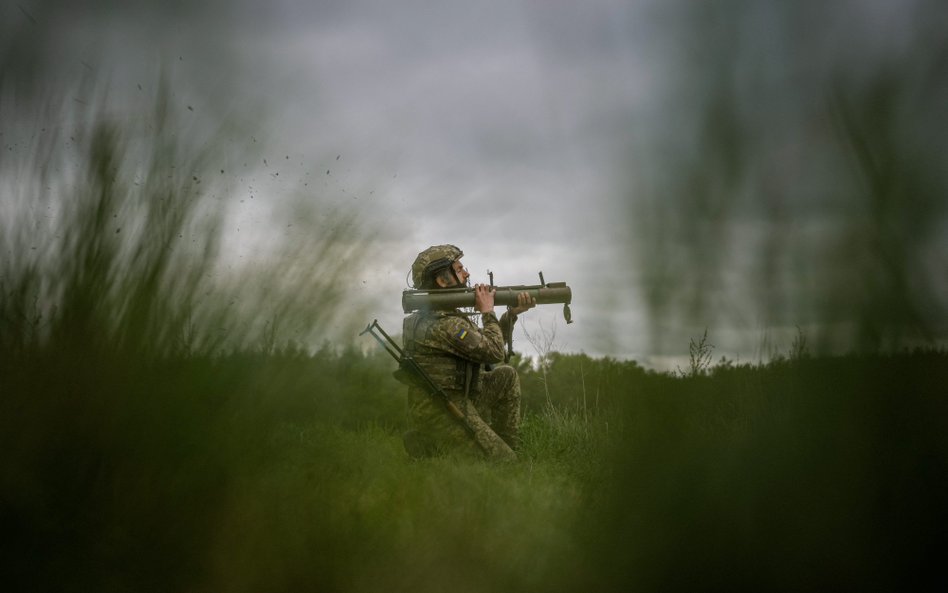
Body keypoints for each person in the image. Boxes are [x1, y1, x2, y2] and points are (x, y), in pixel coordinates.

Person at [401, 244, 535, 461]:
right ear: (443, 280)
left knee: (506, 376)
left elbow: (484, 344)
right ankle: (431, 443)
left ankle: (506, 447)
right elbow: (492, 353)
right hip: (443, 410)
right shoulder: (446, 324)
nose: (467, 273)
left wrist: (510, 315)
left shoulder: (443, 316)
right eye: (460, 268)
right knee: (506, 464)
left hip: (460, 397)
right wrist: (488, 312)